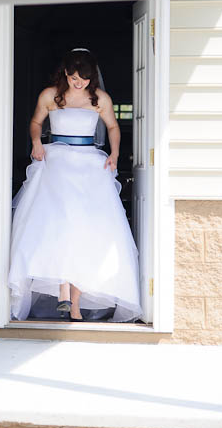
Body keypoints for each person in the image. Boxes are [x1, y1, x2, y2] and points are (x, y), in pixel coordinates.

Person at [8, 48, 142, 323]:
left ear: (92, 77)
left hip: (89, 167)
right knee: (58, 226)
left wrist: (115, 154)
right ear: (65, 74)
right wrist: (36, 142)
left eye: (83, 78)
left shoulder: (99, 99)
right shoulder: (49, 95)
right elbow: (35, 122)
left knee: (85, 231)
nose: (78, 83)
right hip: (56, 164)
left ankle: (76, 304)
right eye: (73, 78)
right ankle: (62, 292)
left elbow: (113, 128)